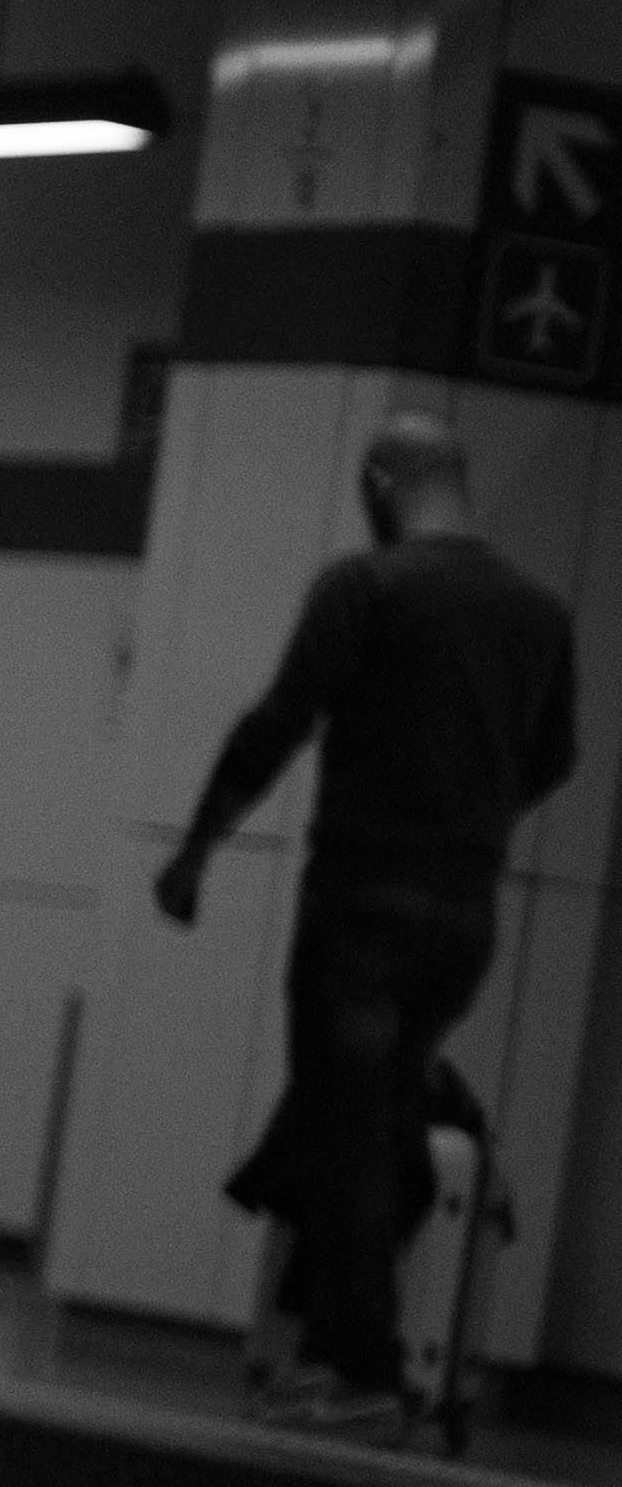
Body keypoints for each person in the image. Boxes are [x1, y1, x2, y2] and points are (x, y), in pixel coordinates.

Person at [151, 410, 578, 1435]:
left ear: (382, 481)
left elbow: (275, 726)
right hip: (461, 923)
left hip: (361, 908)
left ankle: (370, 1374)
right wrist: (470, 820)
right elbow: (555, 758)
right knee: (373, 1119)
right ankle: (336, 1349)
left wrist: (196, 849)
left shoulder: (364, 588)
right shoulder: (539, 613)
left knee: (347, 1133)